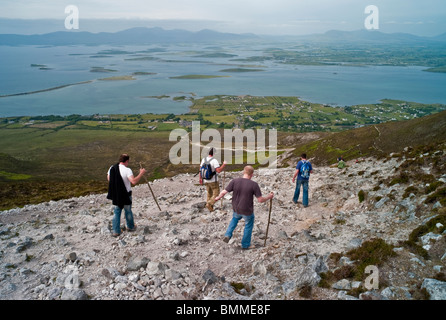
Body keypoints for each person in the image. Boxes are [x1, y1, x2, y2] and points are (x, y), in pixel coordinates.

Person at [215, 165, 274, 250]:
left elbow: (224, 192)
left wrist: (217, 198)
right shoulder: (254, 185)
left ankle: (228, 235)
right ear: (252, 174)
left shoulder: (234, 181)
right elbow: (260, 200)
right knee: (248, 225)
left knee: (234, 219)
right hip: (247, 210)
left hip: (236, 207)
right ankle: (245, 244)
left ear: (243, 172)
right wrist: (269, 197)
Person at [107, 153, 147, 237]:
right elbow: (133, 181)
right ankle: (130, 227)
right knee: (128, 210)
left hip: (116, 194)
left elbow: (109, 179)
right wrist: (141, 173)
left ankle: (116, 231)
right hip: (126, 194)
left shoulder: (112, 168)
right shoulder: (127, 170)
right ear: (127, 161)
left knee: (117, 212)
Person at [200, 148, 226, 212]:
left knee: (209, 193)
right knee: (216, 193)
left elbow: (200, 169)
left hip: (205, 180)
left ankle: (210, 208)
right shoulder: (214, 160)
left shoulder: (204, 159)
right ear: (214, 153)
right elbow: (218, 170)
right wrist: (224, 165)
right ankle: (209, 204)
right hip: (213, 180)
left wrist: (200, 178)